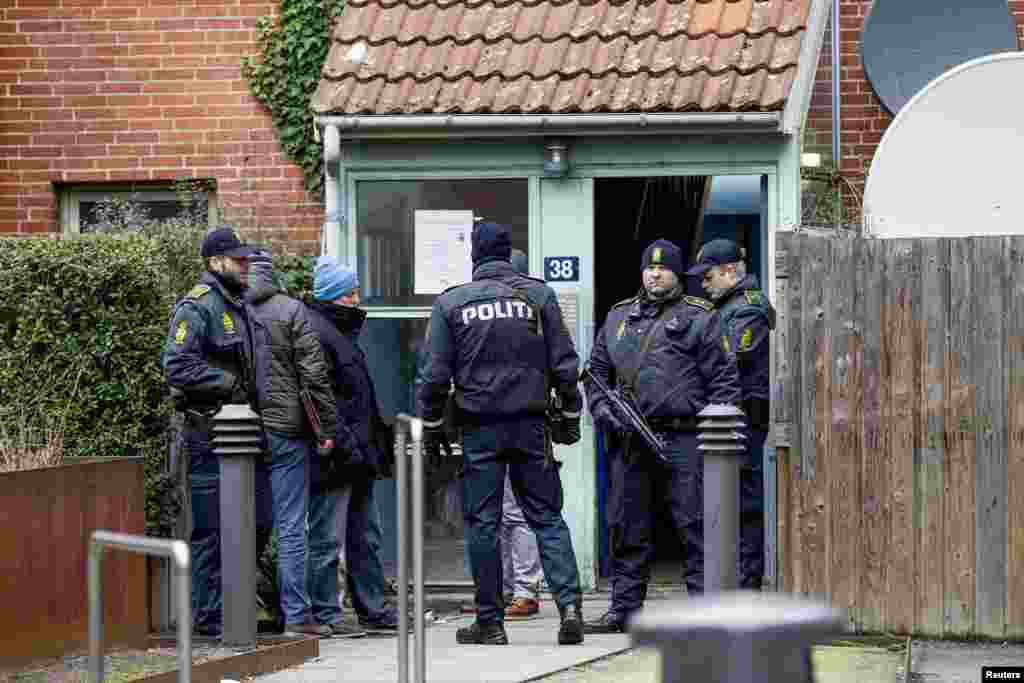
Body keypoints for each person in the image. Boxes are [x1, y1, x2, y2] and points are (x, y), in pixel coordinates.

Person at [417, 222, 586, 646]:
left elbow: (434, 376)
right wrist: (569, 411)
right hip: (531, 424)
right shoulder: (539, 295)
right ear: (509, 254)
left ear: (474, 256)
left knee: (483, 524)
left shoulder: (452, 303)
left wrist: (433, 423)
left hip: (479, 429)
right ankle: (570, 609)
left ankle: (490, 623)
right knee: (546, 517)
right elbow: (565, 363)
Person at [582, 238, 741, 634]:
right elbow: (596, 376)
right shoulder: (617, 318)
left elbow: (724, 383)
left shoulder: (701, 316)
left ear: (677, 274)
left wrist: (715, 439)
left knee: (695, 525)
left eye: (664, 268)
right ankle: (624, 610)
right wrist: (606, 415)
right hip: (631, 441)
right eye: (649, 269)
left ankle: (706, 611)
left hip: (686, 438)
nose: (655, 275)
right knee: (627, 527)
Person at [162, 226, 271, 638]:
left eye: (247, 258)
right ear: (214, 262)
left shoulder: (240, 305)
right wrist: (227, 386)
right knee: (212, 528)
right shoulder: (199, 306)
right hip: (210, 433)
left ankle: (237, 603)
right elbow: (178, 365)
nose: (246, 264)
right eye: (238, 258)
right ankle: (209, 618)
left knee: (259, 519)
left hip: (248, 432)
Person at [245, 248, 339, 637]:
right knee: (291, 525)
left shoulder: (230, 310)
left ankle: (232, 611)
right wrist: (327, 430)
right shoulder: (290, 310)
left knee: (243, 522)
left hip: (240, 433)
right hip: (286, 431)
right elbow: (313, 375)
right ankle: (297, 616)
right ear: (273, 274)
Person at [305, 256, 401, 635]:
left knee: (365, 536)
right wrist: (347, 444)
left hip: (355, 453)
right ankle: (328, 614)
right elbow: (323, 399)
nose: (357, 299)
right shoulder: (321, 333)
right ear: (333, 296)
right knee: (328, 537)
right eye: (350, 293)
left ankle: (372, 609)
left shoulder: (339, 333)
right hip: (339, 455)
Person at [687, 238, 776, 589]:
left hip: (743, 419)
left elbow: (730, 359)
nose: (703, 285)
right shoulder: (726, 307)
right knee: (726, 502)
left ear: (728, 271)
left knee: (743, 504)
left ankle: (746, 583)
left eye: (707, 277)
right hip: (729, 417)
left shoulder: (748, 307)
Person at [461, 247, 545, 618]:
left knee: (515, 513)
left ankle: (522, 590)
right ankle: (507, 591)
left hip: (502, 423)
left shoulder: (498, 310)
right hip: (519, 422)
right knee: (505, 514)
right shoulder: (530, 308)